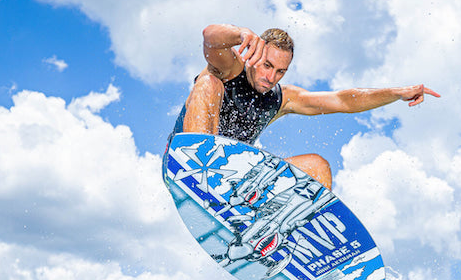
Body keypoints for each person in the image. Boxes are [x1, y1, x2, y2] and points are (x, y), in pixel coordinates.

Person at [167, 23, 440, 190]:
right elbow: (209, 37)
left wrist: (395, 93)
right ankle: (200, 168)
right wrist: (239, 34)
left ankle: (281, 237)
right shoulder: (230, 67)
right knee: (208, 83)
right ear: (255, 54)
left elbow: (343, 101)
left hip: (232, 177)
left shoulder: (282, 98)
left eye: (280, 71)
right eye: (267, 66)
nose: (270, 77)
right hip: (184, 164)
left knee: (317, 167)